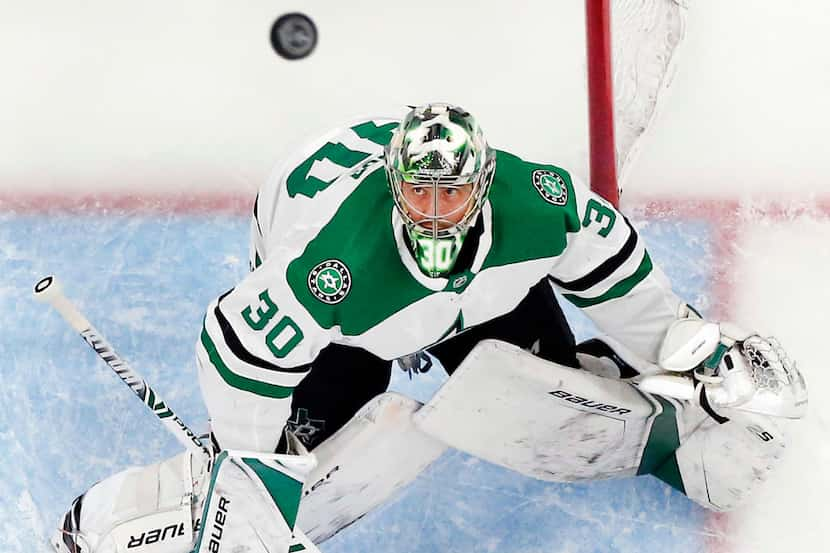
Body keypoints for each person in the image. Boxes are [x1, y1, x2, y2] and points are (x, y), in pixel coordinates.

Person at [52, 103, 807, 553]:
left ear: (483, 186)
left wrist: (681, 348)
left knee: (560, 384)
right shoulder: (333, 263)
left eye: (452, 194)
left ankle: (667, 437)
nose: (434, 210)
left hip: (482, 300)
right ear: (394, 183)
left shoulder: (539, 202)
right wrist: (253, 461)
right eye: (418, 190)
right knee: (297, 460)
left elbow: (612, 262)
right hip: (356, 326)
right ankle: (125, 518)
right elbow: (238, 349)